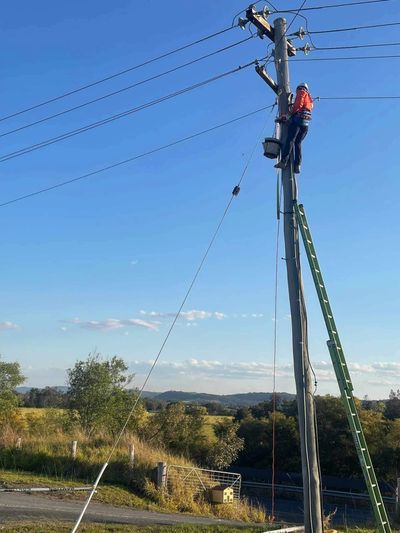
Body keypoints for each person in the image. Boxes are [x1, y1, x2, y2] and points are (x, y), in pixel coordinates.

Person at [274, 82, 313, 174]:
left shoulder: (301, 92)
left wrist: (288, 114)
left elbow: (298, 105)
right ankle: (297, 165)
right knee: (298, 143)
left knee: (290, 140)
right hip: (305, 124)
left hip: (298, 121)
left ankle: (284, 161)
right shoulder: (310, 99)